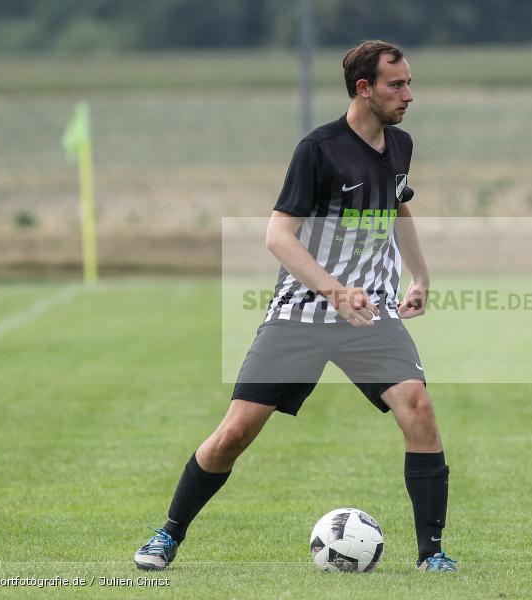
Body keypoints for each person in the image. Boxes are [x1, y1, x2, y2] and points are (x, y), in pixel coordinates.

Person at [134, 40, 456, 573]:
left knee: (418, 410)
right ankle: (168, 534)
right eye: (397, 84)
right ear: (363, 89)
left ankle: (432, 555)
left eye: (408, 83)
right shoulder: (319, 149)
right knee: (234, 433)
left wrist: (420, 273)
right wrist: (334, 289)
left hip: (370, 311)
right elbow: (278, 236)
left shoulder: (400, 144)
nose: (409, 95)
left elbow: (398, 207)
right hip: (301, 313)